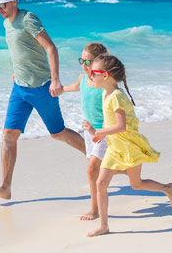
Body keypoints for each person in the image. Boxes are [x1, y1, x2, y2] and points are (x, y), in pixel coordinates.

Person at [0, 0, 86, 200]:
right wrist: (17, 72)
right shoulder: (6, 23)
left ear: (14, 1)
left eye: (2, 4)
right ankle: (5, 187)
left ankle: (95, 156)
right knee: (9, 136)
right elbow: (21, 50)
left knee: (58, 133)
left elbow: (51, 48)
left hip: (41, 88)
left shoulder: (28, 18)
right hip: (19, 89)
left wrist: (56, 80)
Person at [81, 55, 172, 237]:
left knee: (136, 184)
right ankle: (104, 226)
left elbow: (121, 126)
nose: (91, 76)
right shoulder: (105, 93)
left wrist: (98, 133)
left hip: (128, 146)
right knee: (101, 183)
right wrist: (98, 134)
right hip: (114, 147)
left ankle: (167, 189)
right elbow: (109, 122)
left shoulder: (117, 96)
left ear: (107, 75)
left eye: (94, 73)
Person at [62, 42, 110, 220]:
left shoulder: (104, 82)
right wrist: (61, 90)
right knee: (103, 168)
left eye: (88, 62)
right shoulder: (83, 78)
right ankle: (159, 186)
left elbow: (114, 106)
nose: (84, 64)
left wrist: (104, 131)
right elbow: (75, 86)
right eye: (81, 60)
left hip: (103, 131)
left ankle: (94, 209)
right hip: (88, 132)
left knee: (92, 169)